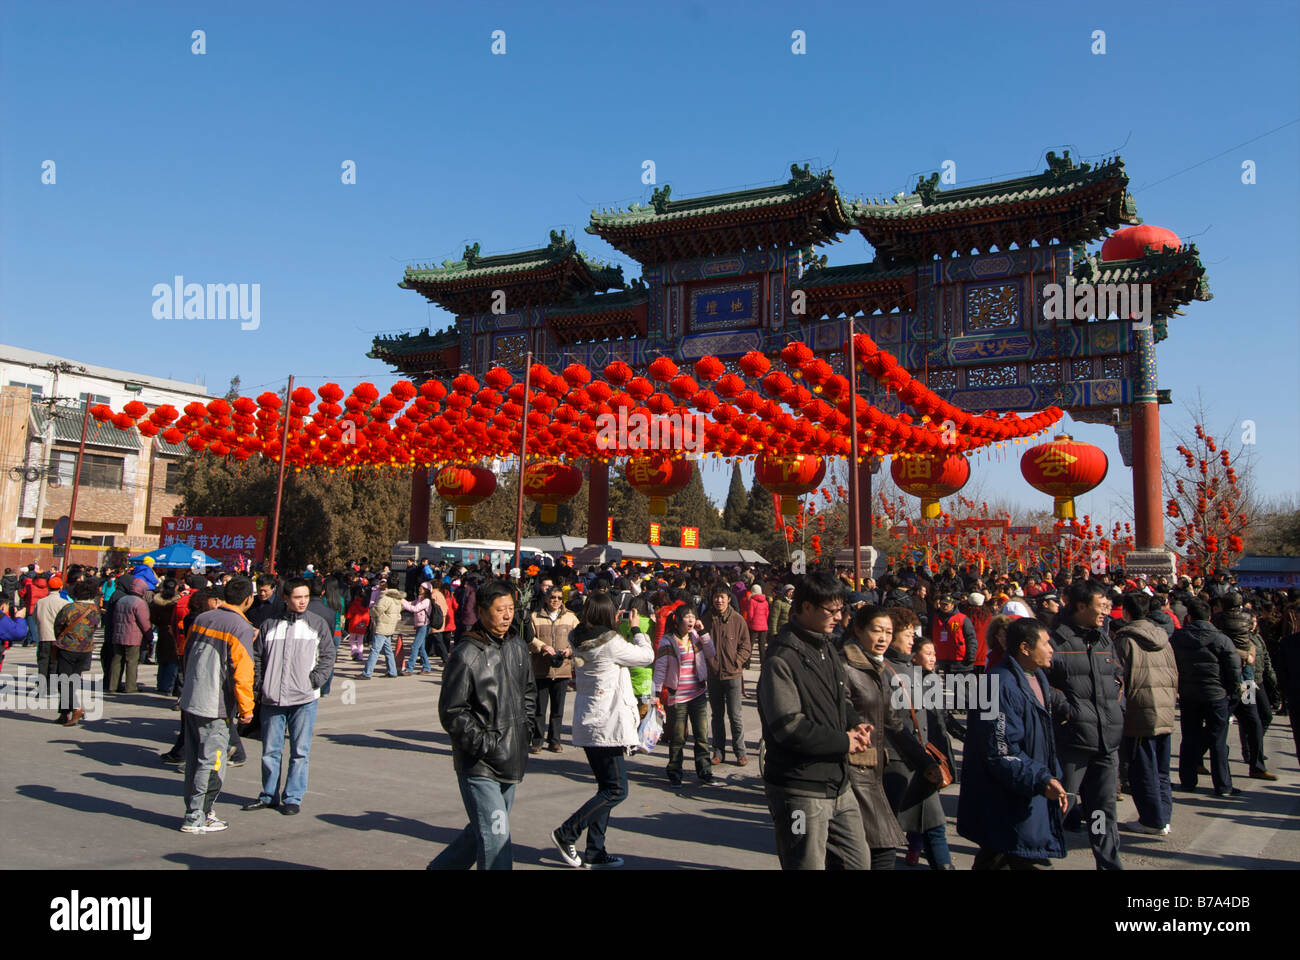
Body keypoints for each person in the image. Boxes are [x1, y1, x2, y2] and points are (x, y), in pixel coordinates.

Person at [758, 571, 873, 870]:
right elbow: (788, 727)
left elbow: (840, 698)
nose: (838, 617)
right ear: (806, 607)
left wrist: (854, 722)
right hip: (799, 790)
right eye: (831, 610)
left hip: (837, 782)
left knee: (858, 862)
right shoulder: (781, 658)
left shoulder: (826, 646)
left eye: (841, 610)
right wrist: (843, 742)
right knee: (804, 862)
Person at [431, 580, 536, 870]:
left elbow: (528, 692)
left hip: (512, 756)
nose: (507, 615)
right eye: (500, 609)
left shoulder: (516, 646)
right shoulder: (466, 654)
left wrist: (524, 731)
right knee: (496, 836)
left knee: (484, 830)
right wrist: (486, 744)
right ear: (481, 611)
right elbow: (452, 711)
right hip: (480, 764)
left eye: (511, 609)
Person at [552, 593, 654, 869]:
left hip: (590, 721)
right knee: (617, 790)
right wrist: (636, 629)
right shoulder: (610, 642)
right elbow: (646, 656)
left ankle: (595, 851)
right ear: (608, 614)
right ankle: (567, 832)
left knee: (606, 788)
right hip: (608, 723)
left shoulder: (578, 637)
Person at [957, 617, 1068, 869]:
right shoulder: (997, 685)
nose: (1052, 649)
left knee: (1001, 855)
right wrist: (1041, 778)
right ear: (1025, 648)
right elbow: (1000, 751)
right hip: (1003, 796)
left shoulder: (1037, 677)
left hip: (1024, 791)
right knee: (1008, 852)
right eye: (1046, 644)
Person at [838, 605, 940, 870]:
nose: (883, 638)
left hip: (874, 768)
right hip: (852, 770)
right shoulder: (845, 666)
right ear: (858, 630)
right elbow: (843, 707)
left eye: (888, 632)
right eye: (876, 630)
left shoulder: (876, 667)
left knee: (878, 849)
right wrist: (856, 725)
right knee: (875, 850)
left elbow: (893, 723)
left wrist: (924, 761)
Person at [1047, 580, 1125, 870]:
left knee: (1102, 812)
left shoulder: (1103, 639)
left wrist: (1118, 702)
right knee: (1060, 808)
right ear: (1081, 606)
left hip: (1106, 739)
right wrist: (1069, 709)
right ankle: (1036, 858)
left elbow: (1117, 674)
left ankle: (1108, 864)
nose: (1106, 610)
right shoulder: (1056, 641)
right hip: (1072, 740)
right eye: (1100, 605)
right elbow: (1041, 683)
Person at [242, 578, 335, 816]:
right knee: (270, 751)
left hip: (304, 699)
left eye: (305, 597)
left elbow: (328, 655)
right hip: (272, 699)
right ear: (286, 598)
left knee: (300, 751)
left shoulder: (316, 624)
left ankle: (293, 796)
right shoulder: (270, 625)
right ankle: (269, 794)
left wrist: (314, 680)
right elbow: (258, 657)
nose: (303, 601)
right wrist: (261, 685)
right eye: (297, 597)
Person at [178, 576, 256, 834]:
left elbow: (186, 653)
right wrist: (247, 708)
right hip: (215, 704)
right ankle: (198, 815)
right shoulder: (240, 627)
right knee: (212, 762)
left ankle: (195, 809)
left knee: (193, 759)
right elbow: (243, 672)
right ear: (248, 600)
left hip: (191, 697)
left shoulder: (203, 618)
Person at [1112, 591, 1178, 835]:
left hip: (1140, 709)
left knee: (1143, 768)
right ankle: (1163, 816)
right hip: (1164, 707)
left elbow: (1118, 679)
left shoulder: (1125, 640)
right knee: (1161, 767)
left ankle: (1152, 819)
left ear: (1126, 612)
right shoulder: (1163, 638)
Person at [1171, 598, 1242, 797]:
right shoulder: (1222, 639)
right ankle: (1223, 785)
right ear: (1210, 617)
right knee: (1218, 740)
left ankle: (1187, 780)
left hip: (1188, 694)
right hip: (1216, 694)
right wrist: (1232, 691)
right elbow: (1234, 669)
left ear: (1189, 618)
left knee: (1189, 738)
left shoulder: (1178, 638)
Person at [653, 605, 715, 786]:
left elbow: (711, 653)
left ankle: (705, 771)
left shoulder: (696, 637)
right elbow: (660, 668)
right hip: (677, 696)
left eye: (692, 616)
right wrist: (656, 692)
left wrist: (703, 633)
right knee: (678, 737)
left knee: (701, 735)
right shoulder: (667, 641)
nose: (690, 620)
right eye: (686, 617)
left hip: (698, 693)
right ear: (678, 620)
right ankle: (674, 771)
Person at [700, 586, 751, 767]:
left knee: (735, 715)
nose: (718, 601)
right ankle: (718, 751)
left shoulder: (738, 620)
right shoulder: (705, 620)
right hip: (714, 676)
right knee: (717, 715)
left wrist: (737, 662)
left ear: (728, 599)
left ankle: (740, 751)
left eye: (722, 597)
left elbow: (746, 646)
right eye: (716, 597)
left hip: (733, 675)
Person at [524, 585, 578, 753]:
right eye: (553, 597)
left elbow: (579, 639)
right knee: (539, 708)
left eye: (559, 598)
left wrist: (570, 650)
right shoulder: (535, 617)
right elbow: (528, 638)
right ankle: (537, 740)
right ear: (546, 598)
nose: (556, 601)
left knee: (558, 709)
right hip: (541, 667)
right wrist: (542, 646)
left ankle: (555, 740)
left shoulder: (571, 618)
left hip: (562, 669)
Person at [52, 579, 102, 726]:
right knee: (72, 681)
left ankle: (75, 709)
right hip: (86, 649)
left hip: (68, 648)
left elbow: (58, 625)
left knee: (63, 680)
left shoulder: (70, 608)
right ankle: (63, 713)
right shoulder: (95, 610)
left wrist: (60, 638)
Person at [107, 577, 152, 693]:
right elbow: (144, 622)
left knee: (116, 661)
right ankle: (130, 686)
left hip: (118, 634)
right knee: (131, 661)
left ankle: (113, 685)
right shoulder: (140, 603)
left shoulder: (121, 600)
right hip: (133, 637)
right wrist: (149, 636)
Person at [363, 582, 403, 678]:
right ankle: (392, 671)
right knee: (388, 649)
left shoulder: (386, 598)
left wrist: (371, 611)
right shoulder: (398, 599)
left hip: (382, 625)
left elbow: (378, 610)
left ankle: (367, 672)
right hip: (390, 626)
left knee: (375, 650)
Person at [931, 594, 976, 675]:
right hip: (943, 660)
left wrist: (971, 655)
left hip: (960, 660)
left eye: (947, 604)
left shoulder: (962, 619)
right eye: (942, 604)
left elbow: (971, 638)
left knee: (961, 686)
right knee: (949, 686)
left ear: (952, 605)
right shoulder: (934, 618)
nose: (944, 606)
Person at [400, 581, 438, 676]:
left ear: (426, 590)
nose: (419, 589)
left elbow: (415, 608)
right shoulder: (420, 599)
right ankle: (426, 667)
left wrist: (402, 602)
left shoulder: (426, 601)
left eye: (421, 588)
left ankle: (410, 668)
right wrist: (402, 600)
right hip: (419, 625)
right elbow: (410, 604)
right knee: (421, 648)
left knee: (415, 646)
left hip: (424, 626)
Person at [742, 584, 771, 665]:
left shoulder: (752, 601)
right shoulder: (765, 601)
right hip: (764, 626)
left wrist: (749, 622)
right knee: (762, 646)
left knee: (750, 645)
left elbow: (750, 615)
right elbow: (767, 614)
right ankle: (763, 663)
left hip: (754, 626)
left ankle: (747, 663)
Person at [344, 586, 370, 661]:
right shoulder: (366, 605)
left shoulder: (354, 603)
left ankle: (355, 650)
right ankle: (360, 655)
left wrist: (347, 617)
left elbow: (349, 615)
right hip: (363, 624)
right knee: (360, 641)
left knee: (351, 639)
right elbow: (368, 615)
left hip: (354, 624)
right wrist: (367, 624)